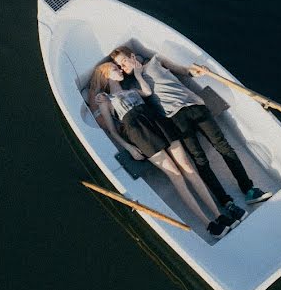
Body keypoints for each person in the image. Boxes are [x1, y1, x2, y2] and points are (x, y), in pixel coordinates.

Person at [110, 46, 273, 223]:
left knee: (223, 145)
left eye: (123, 62)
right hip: (174, 119)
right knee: (199, 159)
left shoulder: (156, 60)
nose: (122, 68)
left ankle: (249, 189)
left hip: (195, 105)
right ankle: (227, 203)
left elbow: (183, 71)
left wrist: (196, 71)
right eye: (119, 66)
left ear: (132, 56)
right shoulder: (132, 86)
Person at [88, 61, 234, 238]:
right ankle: (208, 224)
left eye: (119, 67)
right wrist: (129, 147)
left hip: (158, 123)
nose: (119, 70)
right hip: (139, 134)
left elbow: (147, 92)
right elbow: (112, 130)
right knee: (176, 175)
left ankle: (219, 215)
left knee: (188, 167)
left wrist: (138, 74)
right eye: (115, 69)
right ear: (105, 75)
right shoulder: (104, 99)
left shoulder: (132, 89)